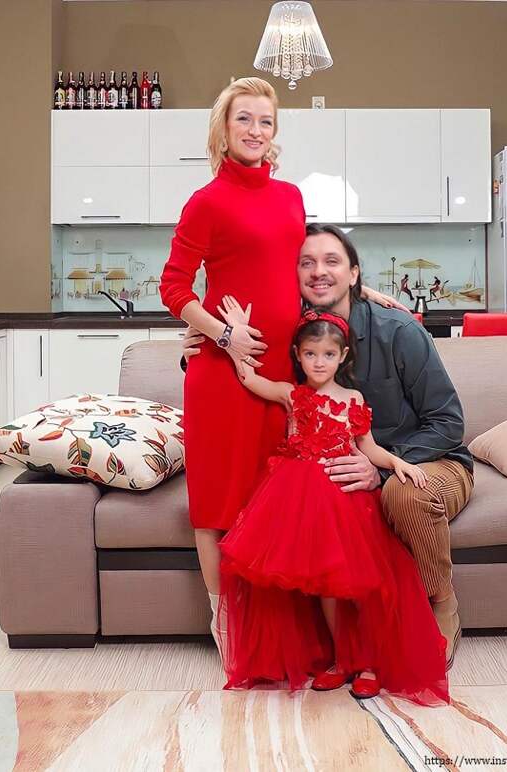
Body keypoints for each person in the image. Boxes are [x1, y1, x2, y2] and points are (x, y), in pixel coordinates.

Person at [160, 78, 407, 659]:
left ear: (274, 133)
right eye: (243, 119)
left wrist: (361, 291)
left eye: (265, 121)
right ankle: (226, 626)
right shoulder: (205, 201)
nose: (254, 130)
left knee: (269, 501)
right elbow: (173, 287)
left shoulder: (290, 197)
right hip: (224, 373)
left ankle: (277, 631)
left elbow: (299, 269)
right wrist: (220, 333)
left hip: (281, 370)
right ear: (224, 129)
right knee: (218, 505)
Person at [182, 223, 474, 669]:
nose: (319, 271)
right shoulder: (296, 334)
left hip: (425, 460)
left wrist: (381, 469)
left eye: (332, 262)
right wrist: (198, 346)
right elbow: (243, 366)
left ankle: (442, 602)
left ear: (354, 273)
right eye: (307, 263)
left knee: (403, 494)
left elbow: (448, 423)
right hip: (334, 468)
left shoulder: (398, 330)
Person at [215, 298, 448, 704]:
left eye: (327, 354)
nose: (318, 362)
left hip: (345, 500)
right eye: (310, 354)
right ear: (297, 355)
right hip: (298, 501)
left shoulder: (353, 399)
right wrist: (233, 334)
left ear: (342, 356)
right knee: (324, 586)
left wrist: (399, 463)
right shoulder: (292, 394)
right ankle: (341, 659)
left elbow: (368, 448)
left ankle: (369, 663)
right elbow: (249, 378)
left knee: (360, 584)